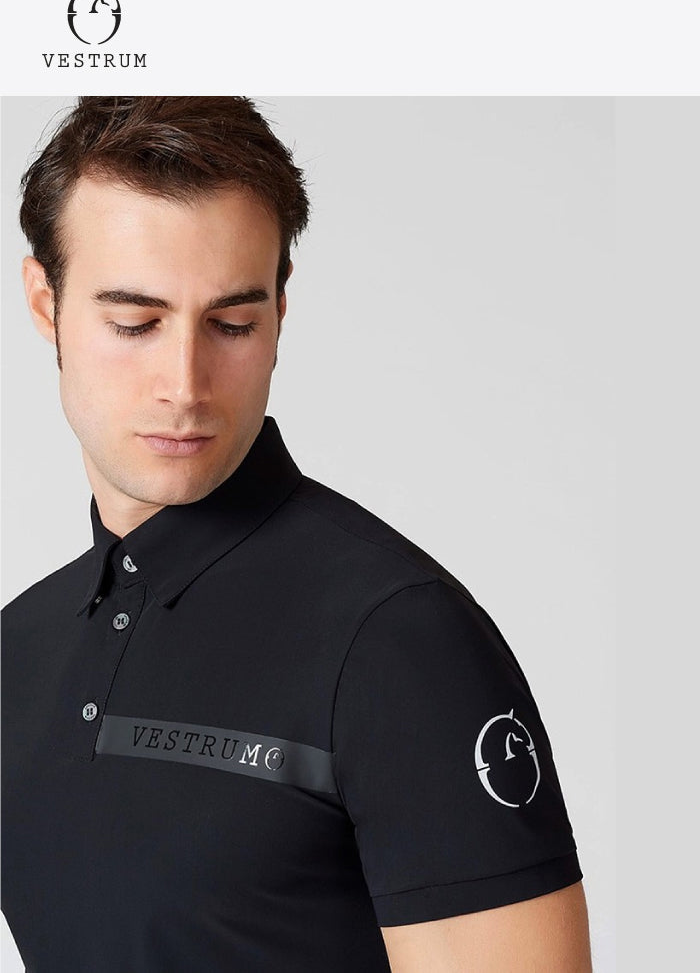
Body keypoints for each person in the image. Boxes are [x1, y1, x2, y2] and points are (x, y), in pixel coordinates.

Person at [1, 96, 593, 972]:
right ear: (45, 305)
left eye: (232, 324)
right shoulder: (17, 649)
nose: (184, 384)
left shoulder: (397, 639)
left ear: (280, 312)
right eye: (135, 323)